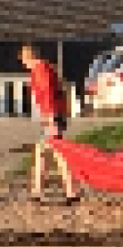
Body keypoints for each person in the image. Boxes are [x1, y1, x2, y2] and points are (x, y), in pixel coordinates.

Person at [19, 44, 78, 204]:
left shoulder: (40, 70)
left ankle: (66, 191)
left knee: (55, 153)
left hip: (53, 116)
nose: (24, 65)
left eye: (24, 60)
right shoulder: (46, 68)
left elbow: (47, 94)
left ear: (27, 58)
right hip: (56, 115)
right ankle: (44, 191)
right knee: (48, 152)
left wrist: (50, 117)